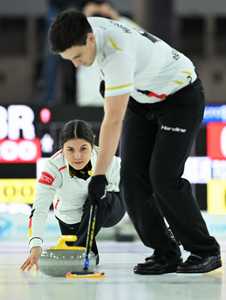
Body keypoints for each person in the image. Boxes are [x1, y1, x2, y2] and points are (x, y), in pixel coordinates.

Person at [48, 10, 222, 275]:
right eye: (69, 59)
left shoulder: (117, 55)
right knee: (131, 178)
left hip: (180, 98)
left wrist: (99, 176)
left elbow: (113, 121)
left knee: (163, 177)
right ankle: (165, 252)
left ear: (91, 40)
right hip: (143, 99)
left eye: (78, 57)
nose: (77, 64)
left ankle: (205, 250)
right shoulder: (84, 28)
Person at [20, 119, 125, 271]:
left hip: (109, 207)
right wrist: (35, 246)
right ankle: (85, 251)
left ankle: (80, 250)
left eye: (83, 149)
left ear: (92, 146)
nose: (77, 156)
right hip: (70, 216)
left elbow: (137, 189)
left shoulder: (107, 159)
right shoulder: (52, 167)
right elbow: (39, 209)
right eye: (70, 149)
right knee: (91, 258)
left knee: (97, 194)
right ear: (62, 149)